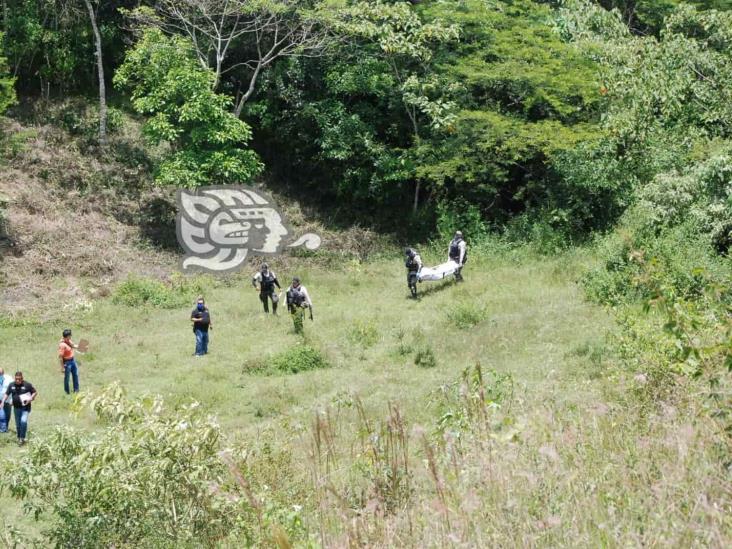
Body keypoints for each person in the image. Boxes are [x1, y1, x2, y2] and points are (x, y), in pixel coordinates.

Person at [1, 371, 37, 446]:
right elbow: (6, 394)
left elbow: (34, 392)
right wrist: (3, 401)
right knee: (18, 424)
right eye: (16, 379)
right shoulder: (11, 385)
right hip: (16, 408)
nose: (17, 380)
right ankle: (19, 437)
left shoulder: (27, 385)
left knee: (23, 421)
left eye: (19, 379)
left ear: (22, 378)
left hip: (25, 408)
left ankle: (22, 438)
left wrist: (31, 398)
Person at [58, 328, 80, 394]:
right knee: (67, 378)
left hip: (72, 361)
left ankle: (76, 390)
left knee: (75, 375)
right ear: (67, 336)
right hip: (67, 363)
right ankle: (67, 392)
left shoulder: (68, 341)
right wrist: (62, 367)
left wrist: (82, 347)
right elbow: (60, 357)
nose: (71, 336)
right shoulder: (62, 345)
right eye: (70, 335)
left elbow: (73, 346)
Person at [0, 368, 12, 433]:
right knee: (1, 416)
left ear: (3, 373)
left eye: (0, 374)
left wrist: (12, 399)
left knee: (7, 416)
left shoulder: (9, 379)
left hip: (7, 401)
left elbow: (13, 388)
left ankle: (5, 429)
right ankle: (3, 430)